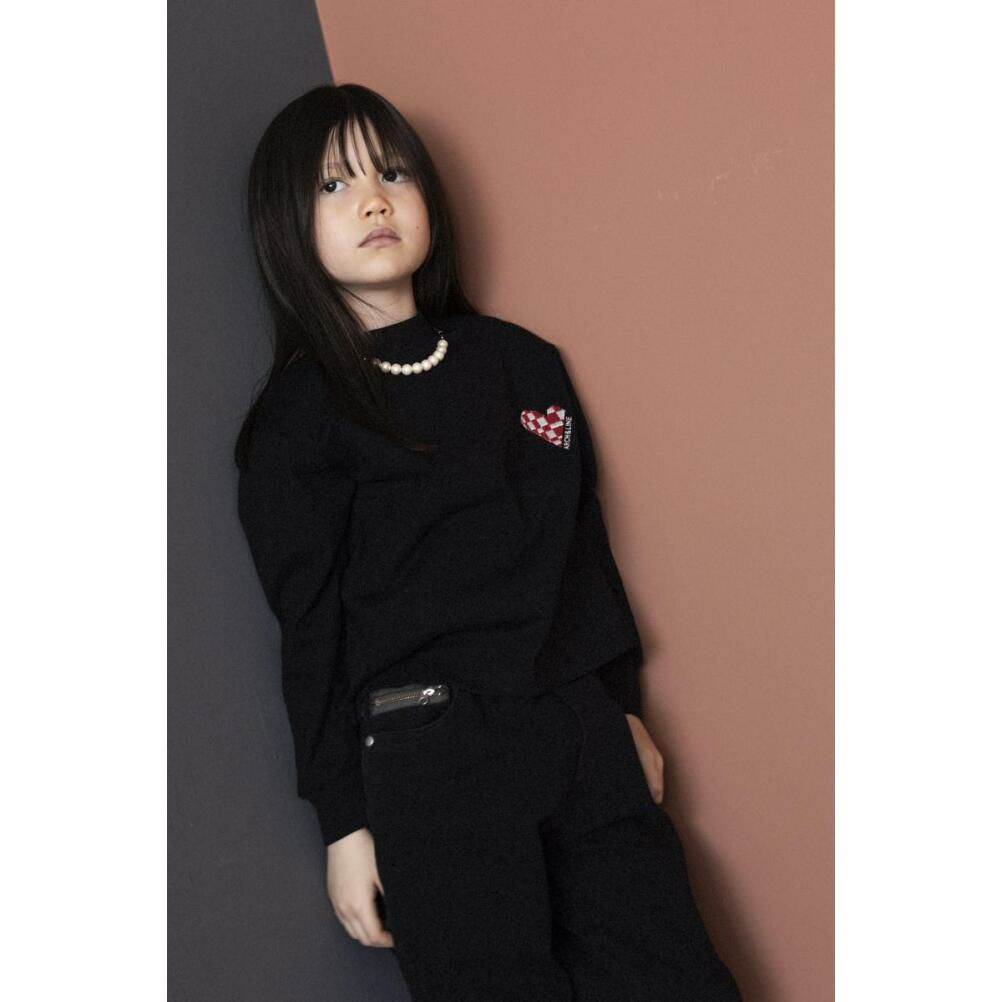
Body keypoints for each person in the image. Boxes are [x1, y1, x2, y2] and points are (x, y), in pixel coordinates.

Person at [233, 82, 742, 1001]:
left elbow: (580, 551)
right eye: (334, 186)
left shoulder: (522, 363)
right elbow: (309, 629)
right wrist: (343, 822)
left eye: (392, 174)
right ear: (285, 225)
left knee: (679, 981)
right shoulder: (299, 418)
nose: (374, 201)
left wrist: (620, 710)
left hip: (576, 723)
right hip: (432, 751)